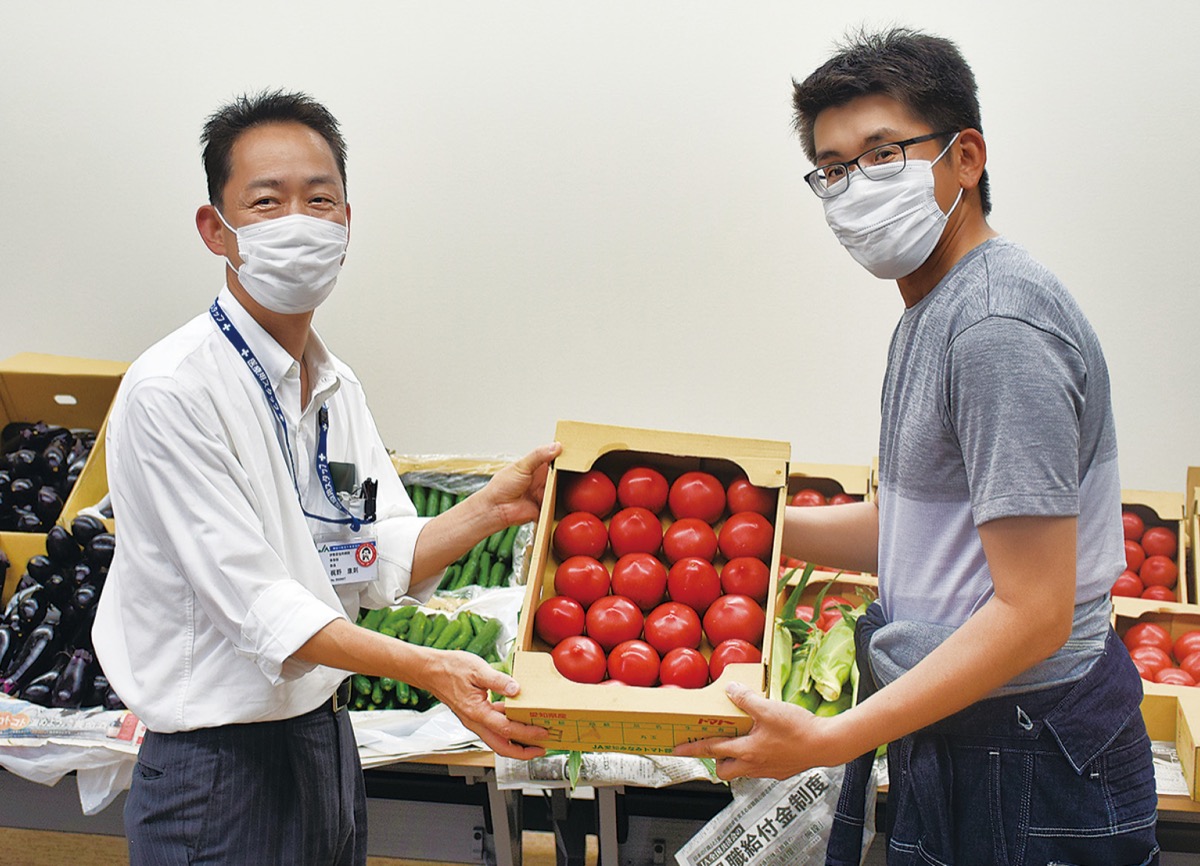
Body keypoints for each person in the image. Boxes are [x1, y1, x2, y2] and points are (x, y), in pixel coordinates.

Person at [675, 29, 1159, 866]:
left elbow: (1035, 611)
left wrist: (834, 737)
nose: (853, 189)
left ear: (965, 157)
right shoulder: (936, 309)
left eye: (882, 154)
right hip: (978, 725)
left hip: (1028, 746)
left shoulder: (997, 325)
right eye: (831, 170)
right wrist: (742, 525)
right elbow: (921, 535)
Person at [92, 90, 554, 866]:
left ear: (346, 223)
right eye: (266, 202)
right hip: (218, 769)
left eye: (319, 200)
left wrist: (491, 509)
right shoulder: (173, 391)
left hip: (323, 740)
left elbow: (370, 556)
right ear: (216, 229)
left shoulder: (335, 388)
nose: (299, 223)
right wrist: (431, 669)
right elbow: (260, 607)